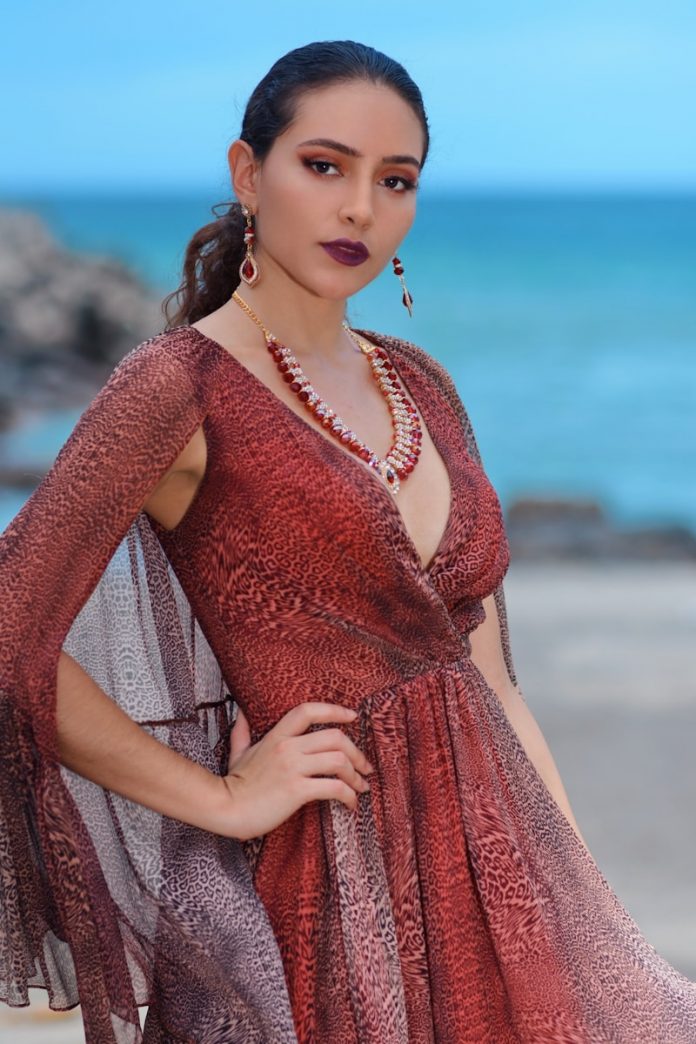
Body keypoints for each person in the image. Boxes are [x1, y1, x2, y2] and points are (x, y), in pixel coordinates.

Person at [1, 38, 695, 1044]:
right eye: (324, 166)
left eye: (396, 179)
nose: (361, 208)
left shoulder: (421, 384)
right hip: (328, 903)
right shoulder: (177, 387)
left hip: (501, 889)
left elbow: (493, 686)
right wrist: (222, 797)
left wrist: (584, 907)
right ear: (249, 172)